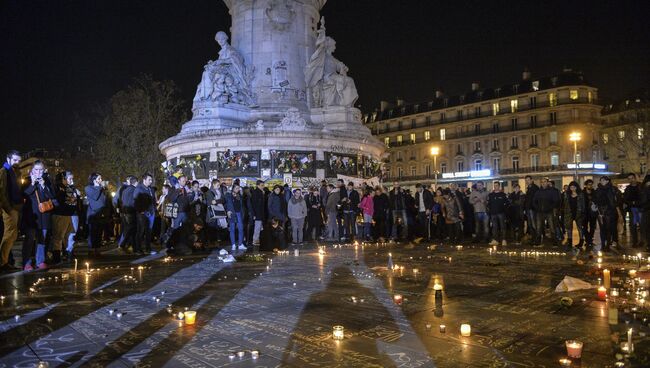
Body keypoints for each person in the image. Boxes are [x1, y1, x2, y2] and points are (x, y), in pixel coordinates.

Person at [22, 161, 57, 270]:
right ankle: (26, 262)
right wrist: (32, 184)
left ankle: (40, 260)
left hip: (45, 214)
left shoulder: (47, 181)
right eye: (36, 170)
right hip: (32, 215)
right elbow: (24, 195)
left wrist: (43, 186)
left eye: (40, 170)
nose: (38, 172)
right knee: (30, 238)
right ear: (32, 171)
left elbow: (52, 196)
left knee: (42, 239)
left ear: (44, 170)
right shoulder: (27, 181)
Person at [51, 170, 81, 263]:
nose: (72, 180)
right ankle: (56, 257)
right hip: (60, 214)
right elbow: (59, 199)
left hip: (69, 214)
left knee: (68, 236)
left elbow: (74, 201)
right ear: (63, 178)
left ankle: (67, 253)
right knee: (58, 236)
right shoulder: (58, 187)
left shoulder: (70, 188)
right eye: (69, 178)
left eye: (72, 178)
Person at [0, 150, 22, 271]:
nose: (17, 163)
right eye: (14, 160)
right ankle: (2, 262)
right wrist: (8, 208)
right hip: (9, 208)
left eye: (18, 160)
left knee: (12, 235)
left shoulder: (15, 172)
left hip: (15, 207)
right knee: (9, 235)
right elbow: (2, 192)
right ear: (8, 159)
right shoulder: (4, 172)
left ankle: (5, 261)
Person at [594, 176, 622, 251]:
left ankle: (609, 243)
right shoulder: (598, 190)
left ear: (607, 181)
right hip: (601, 212)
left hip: (611, 211)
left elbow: (618, 200)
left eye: (603, 180)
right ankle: (603, 244)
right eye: (601, 180)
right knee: (602, 229)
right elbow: (595, 200)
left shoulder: (613, 189)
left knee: (610, 228)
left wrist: (617, 210)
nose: (601, 181)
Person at [532, 178, 560, 246]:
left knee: (551, 226)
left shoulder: (551, 191)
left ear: (547, 183)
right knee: (538, 227)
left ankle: (554, 241)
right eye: (542, 182)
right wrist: (537, 208)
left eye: (544, 182)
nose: (543, 183)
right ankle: (538, 240)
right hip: (539, 212)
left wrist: (549, 208)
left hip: (549, 211)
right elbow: (534, 201)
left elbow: (556, 201)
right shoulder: (538, 192)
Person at [85, 173, 108, 257]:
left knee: (99, 233)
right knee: (92, 233)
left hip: (101, 214)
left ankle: (97, 249)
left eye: (101, 178)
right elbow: (95, 196)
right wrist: (99, 187)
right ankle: (91, 249)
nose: (101, 180)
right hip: (93, 214)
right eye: (99, 178)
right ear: (94, 180)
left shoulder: (101, 189)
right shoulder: (88, 188)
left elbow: (104, 200)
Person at [134, 173, 156, 255]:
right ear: (144, 180)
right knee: (141, 231)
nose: (151, 181)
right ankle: (138, 249)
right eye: (149, 180)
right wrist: (141, 211)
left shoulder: (150, 189)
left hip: (151, 213)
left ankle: (148, 249)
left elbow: (153, 200)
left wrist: (154, 210)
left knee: (148, 232)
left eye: (151, 180)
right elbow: (136, 201)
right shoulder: (139, 189)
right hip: (142, 213)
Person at [561, 181, 585, 253]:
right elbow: (563, 204)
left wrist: (583, 213)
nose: (572, 189)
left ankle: (581, 242)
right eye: (571, 187)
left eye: (574, 187)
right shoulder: (566, 194)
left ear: (576, 187)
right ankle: (570, 242)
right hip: (569, 213)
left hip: (578, 213)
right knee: (569, 229)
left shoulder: (580, 195)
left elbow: (583, 205)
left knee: (580, 228)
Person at [119, 176, 138, 253]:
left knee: (131, 229)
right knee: (132, 228)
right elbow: (135, 201)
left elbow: (122, 200)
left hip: (124, 211)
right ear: (135, 182)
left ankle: (133, 246)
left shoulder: (125, 190)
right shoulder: (134, 190)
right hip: (131, 211)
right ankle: (123, 243)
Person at [487, 182, 509, 246]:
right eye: (494, 186)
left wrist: (505, 211)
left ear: (499, 186)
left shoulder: (503, 194)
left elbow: (507, 204)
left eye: (497, 185)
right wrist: (489, 211)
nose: (495, 187)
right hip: (493, 213)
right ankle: (495, 240)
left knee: (503, 227)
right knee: (494, 227)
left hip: (501, 213)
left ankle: (504, 240)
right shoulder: (491, 195)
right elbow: (489, 204)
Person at [226, 184, 247, 251]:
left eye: (239, 188)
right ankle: (233, 245)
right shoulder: (229, 195)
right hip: (232, 213)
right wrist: (228, 211)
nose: (238, 189)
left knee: (241, 229)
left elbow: (241, 206)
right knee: (232, 229)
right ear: (233, 188)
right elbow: (225, 203)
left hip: (239, 213)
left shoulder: (239, 196)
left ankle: (240, 244)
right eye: (237, 188)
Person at [623, 173, 642, 247]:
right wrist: (630, 202)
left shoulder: (640, 186)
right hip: (632, 209)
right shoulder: (628, 188)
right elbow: (625, 198)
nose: (631, 180)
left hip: (640, 208)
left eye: (632, 178)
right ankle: (635, 241)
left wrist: (637, 202)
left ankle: (643, 241)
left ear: (635, 178)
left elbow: (644, 197)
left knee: (642, 226)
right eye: (629, 178)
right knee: (633, 226)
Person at [249, 180, 266, 246]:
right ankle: (255, 240)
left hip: (259, 213)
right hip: (258, 213)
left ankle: (257, 240)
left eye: (263, 185)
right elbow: (254, 204)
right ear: (257, 185)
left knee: (259, 227)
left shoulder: (260, 192)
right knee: (257, 227)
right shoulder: (256, 193)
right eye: (262, 185)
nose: (263, 186)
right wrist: (254, 214)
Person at [524, 175, 539, 240]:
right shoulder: (528, 188)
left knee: (534, 224)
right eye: (526, 180)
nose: (527, 181)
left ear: (531, 180)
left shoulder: (535, 188)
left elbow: (536, 199)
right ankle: (533, 237)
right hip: (528, 209)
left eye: (528, 180)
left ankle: (537, 238)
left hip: (533, 209)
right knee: (530, 224)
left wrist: (534, 206)